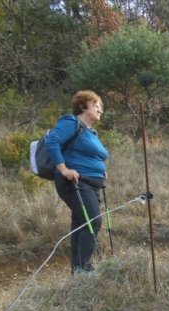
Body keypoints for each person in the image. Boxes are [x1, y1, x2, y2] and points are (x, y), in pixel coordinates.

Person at [47, 91, 109, 274]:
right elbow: (53, 141)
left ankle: (78, 270)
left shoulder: (91, 132)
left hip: (91, 183)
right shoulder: (71, 122)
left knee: (82, 223)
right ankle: (84, 267)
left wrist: (100, 169)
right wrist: (63, 169)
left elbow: (92, 154)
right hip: (75, 182)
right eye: (96, 106)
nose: (100, 110)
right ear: (83, 107)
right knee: (93, 220)